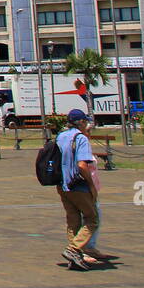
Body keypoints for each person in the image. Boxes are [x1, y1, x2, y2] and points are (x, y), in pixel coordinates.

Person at [56, 112, 100, 271]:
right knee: (92, 218)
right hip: (77, 184)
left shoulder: (60, 137)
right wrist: (91, 184)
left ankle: (75, 255)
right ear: (80, 122)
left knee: (73, 219)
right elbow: (82, 166)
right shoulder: (80, 138)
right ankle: (73, 249)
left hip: (62, 184)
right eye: (85, 122)